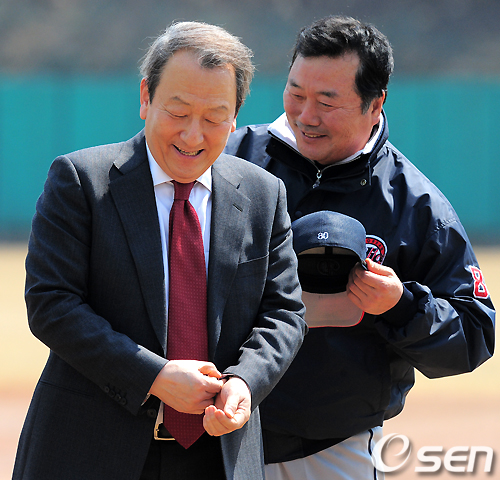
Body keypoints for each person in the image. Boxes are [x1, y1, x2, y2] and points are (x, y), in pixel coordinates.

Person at [13, 21, 307, 480]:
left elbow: (285, 313)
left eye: (214, 117)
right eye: (178, 111)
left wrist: (245, 381)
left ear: (235, 117)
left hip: (220, 455)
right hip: (89, 451)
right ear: (146, 97)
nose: (193, 135)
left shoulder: (263, 195)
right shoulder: (81, 181)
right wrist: (154, 376)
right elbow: (51, 303)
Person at [224, 15, 495, 480]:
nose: (306, 115)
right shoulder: (228, 161)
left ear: (375, 104)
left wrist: (401, 305)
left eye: (327, 102)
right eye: (296, 93)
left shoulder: (415, 206)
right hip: (211, 434)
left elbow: (474, 335)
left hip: (332, 449)